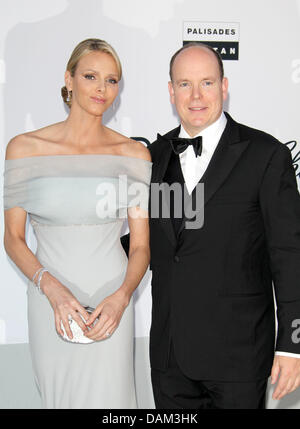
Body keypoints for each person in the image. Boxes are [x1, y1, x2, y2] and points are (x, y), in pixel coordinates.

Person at [124, 42, 300, 409]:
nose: (196, 95)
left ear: (224, 86)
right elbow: (145, 243)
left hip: (239, 356)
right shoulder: (151, 158)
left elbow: (289, 255)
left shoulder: (266, 155)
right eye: (184, 84)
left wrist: (292, 345)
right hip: (170, 358)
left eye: (206, 82)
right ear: (171, 92)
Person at [3, 38, 152, 409]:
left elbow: (141, 247)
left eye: (112, 80)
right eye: (90, 76)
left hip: (111, 300)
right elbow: (14, 239)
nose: (102, 89)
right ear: (69, 79)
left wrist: (122, 297)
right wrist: (50, 288)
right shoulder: (24, 148)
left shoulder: (133, 154)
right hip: (49, 298)